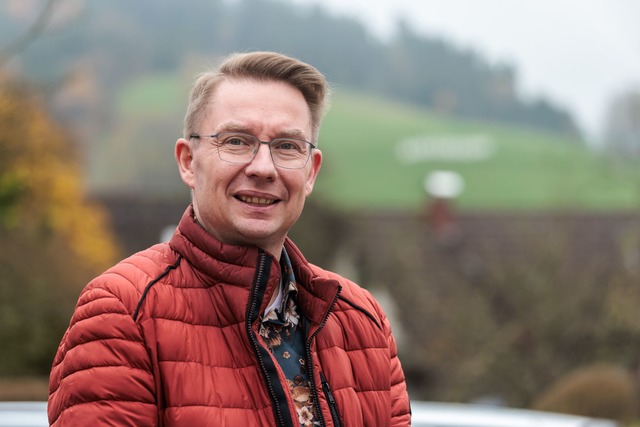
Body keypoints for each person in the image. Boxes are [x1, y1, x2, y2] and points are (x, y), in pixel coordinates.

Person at [48, 51, 411, 426]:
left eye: (288, 146)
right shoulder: (123, 311)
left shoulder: (362, 322)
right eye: (237, 141)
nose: (263, 168)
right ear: (188, 161)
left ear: (311, 172)